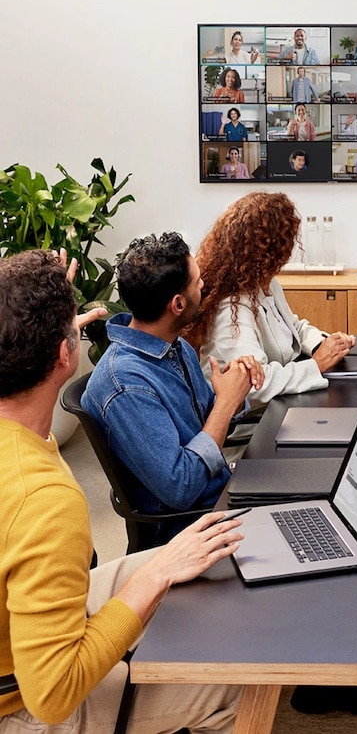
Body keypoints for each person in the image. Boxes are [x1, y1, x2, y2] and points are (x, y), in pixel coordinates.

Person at [0, 249, 244, 732]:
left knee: (208, 563)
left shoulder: (19, 445)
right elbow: (53, 694)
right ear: (62, 355)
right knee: (237, 675)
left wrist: (39, 323)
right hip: (21, 701)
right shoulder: (44, 499)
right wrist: (154, 579)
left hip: (19, 631)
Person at [83, 233, 263, 545]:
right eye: (197, 281)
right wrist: (225, 404)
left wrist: (233, 389)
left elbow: (206, 427)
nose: (203, 285)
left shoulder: (174, 347)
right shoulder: (126, 385)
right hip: (190, 529)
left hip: (219, 496)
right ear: (178, 304)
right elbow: (181, 487)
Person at [184, 192, 357, 408]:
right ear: (275, 249)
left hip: (281, 404)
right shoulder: (231, 310)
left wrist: (326, 344)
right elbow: (257, 384)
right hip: (251, 426)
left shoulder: (266, 285)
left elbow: (293, 327)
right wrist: (317, 364)